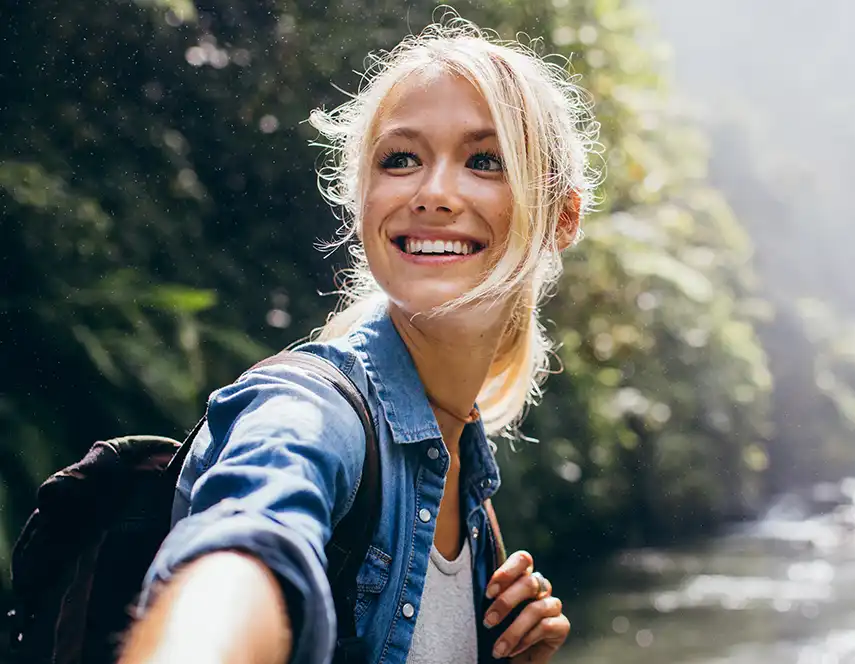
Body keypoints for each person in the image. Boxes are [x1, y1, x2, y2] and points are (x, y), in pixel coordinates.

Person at [117, 14, 599, 664]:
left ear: (562, 217)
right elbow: (247, 540)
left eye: (486, 161)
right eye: (401, 159)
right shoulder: (307, 411)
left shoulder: (469, 476)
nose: (433, 193)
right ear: (363, 200)